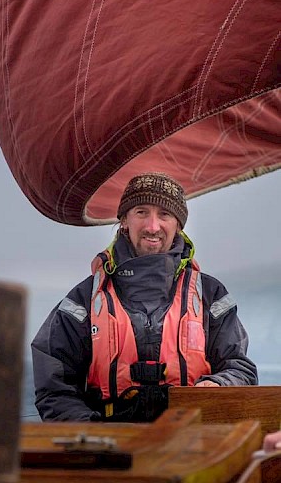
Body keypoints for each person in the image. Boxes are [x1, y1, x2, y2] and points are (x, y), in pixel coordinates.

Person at [32, 172, 258, 422]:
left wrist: (218, 386)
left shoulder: (211, 295)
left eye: (164, 214)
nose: (153, 226)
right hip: (110, 448)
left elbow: (240, 369)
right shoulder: (83, 299)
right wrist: (94, 434)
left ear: (178, 226)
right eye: (141, 212)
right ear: (124, 221)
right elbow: (54, 389)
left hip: (192, 442)